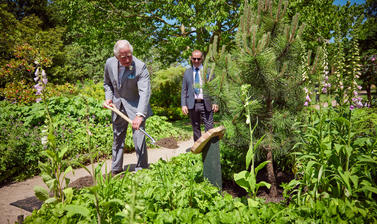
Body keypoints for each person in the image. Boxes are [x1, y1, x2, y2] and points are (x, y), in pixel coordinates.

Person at [104, 40, 152, 174]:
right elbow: (107, 84)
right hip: (117, 106)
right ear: (116, 57)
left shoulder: (140, 66)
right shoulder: (109, 63)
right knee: (117, 136)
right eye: (123, 57)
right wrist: (108, 98)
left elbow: (145, 92)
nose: (127, 59)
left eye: (129, 55)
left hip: (135, 107)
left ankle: (142, 169)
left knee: (139, 137)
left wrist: (140, 114)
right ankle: (116, 169)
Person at [181, 50, 219, 142]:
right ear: (191, 58)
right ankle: (198, 150)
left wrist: (215, 102)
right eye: (194, 58)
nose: (196, 61)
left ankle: (209, 151)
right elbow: (184, 90)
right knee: (195, 128)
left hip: (206, 103)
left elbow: (214, 88)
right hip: (192, 104)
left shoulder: (209, 71)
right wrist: (183, 104)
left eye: (198, 59)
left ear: (202, 59)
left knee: (209, 128)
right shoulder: (187, 72)